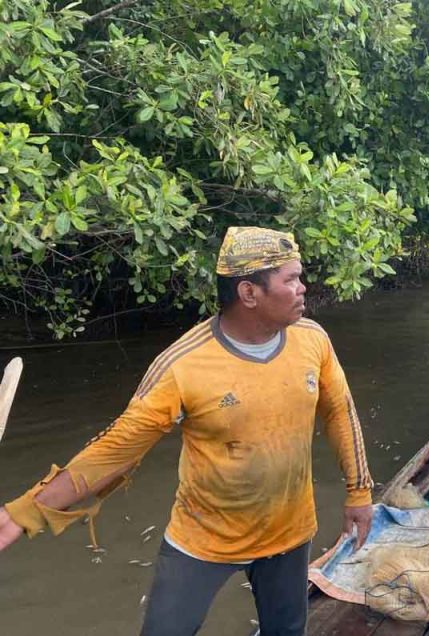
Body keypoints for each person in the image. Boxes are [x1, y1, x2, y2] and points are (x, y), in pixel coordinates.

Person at [0, 227, 375, 636]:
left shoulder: (312, 340)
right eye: (291, 279)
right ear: (249, 293)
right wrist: (25, 512)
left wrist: (359, 491)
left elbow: (339, 411)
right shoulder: (183, 365)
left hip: (289, 531)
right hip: (204, 538)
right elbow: (115, 451)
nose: (303, 288)